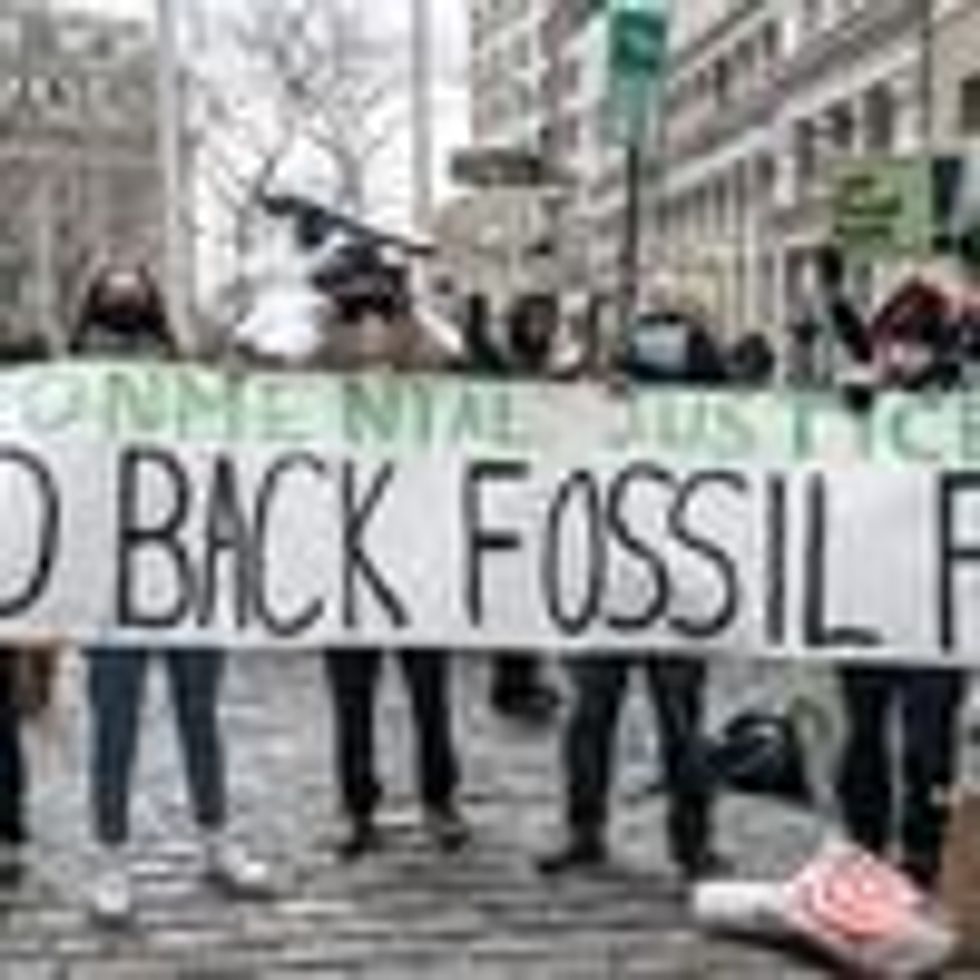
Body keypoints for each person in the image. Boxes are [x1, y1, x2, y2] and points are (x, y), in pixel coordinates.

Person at [73, 264, 270, 924]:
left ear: (152, 304)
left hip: (186, 571)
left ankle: (217, 841)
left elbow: (227, 446)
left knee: (200, 716)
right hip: (110, 582)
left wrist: (235, 390)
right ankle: (110, 859)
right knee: (115, 726)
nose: (125, 300)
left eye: (135, 291)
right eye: (114, 293)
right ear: (95, 305)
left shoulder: (186, 377)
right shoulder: (71, 383)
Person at [538, 304, 727, 880]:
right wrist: (579, 395)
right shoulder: (604, 410)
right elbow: (556, 445)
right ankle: (585, 829)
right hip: (611, 586)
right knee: (590, 716)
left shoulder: (713, 423)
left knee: (681, 723)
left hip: (680, 590)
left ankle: (692, 841)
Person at [834, 242, 977, 891]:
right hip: (866, 600)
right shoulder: (856, 402)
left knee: (928, 742)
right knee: (863, 734)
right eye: (894, 343)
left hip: (937, 607)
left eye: (915, 344)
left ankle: (922, 853)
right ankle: (863, 846)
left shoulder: (963, 409)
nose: (902, 356)